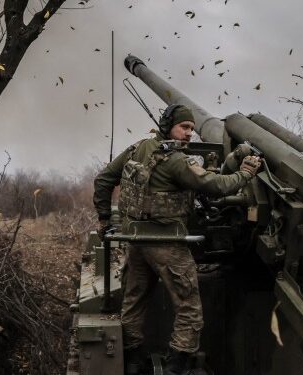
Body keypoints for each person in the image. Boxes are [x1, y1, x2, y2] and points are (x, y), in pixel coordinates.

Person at [93, 104, 261, 375]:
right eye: (184, 127)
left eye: (192, 129)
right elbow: (214, 186)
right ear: (167, 125)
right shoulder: (177, 161)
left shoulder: (138, 149)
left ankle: (133, 363)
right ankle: (176, 366)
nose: (189, 134)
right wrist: (245, 173)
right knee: (189, 308)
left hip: (135, 240)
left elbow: (103, 179)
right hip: (167, 245)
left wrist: (104, 218)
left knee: (133, 303)